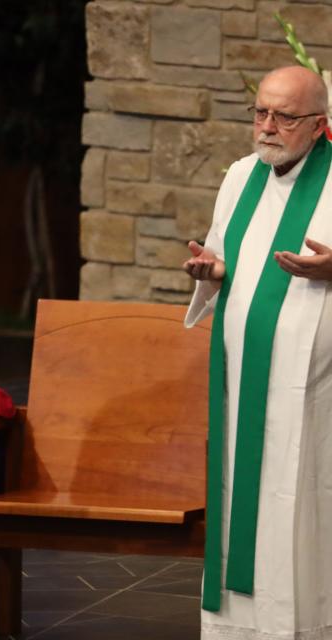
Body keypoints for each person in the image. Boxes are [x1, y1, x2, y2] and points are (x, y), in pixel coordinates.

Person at [183, 65, 332, 639]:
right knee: (239, 499)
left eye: (285, 117)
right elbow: (231, 264)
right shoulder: (241, 176)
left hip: (313, 393)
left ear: (319, 126)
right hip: (241, 386)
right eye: (261, 113)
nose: (267, 127)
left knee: (300, 510)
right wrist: (211, 270)